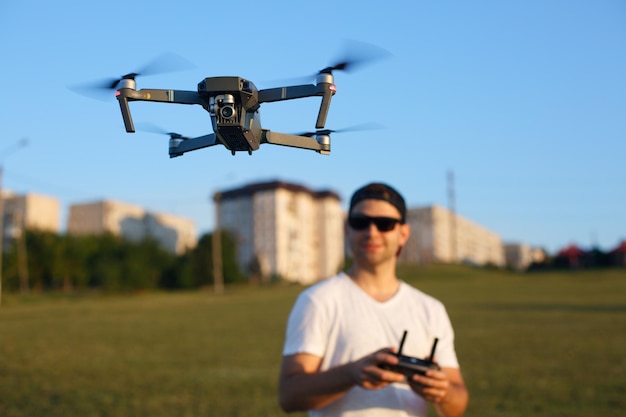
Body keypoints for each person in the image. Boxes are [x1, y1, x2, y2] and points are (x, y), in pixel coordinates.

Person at [278, 182, 468, 417]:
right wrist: (352, 374)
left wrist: (443, 391)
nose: (372, 232)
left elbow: (457, 405)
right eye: (361, 222)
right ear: (348, 229)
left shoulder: (431, 309)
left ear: (403, 233)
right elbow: (288, 395)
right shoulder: (317, 300)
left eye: (385, 224)